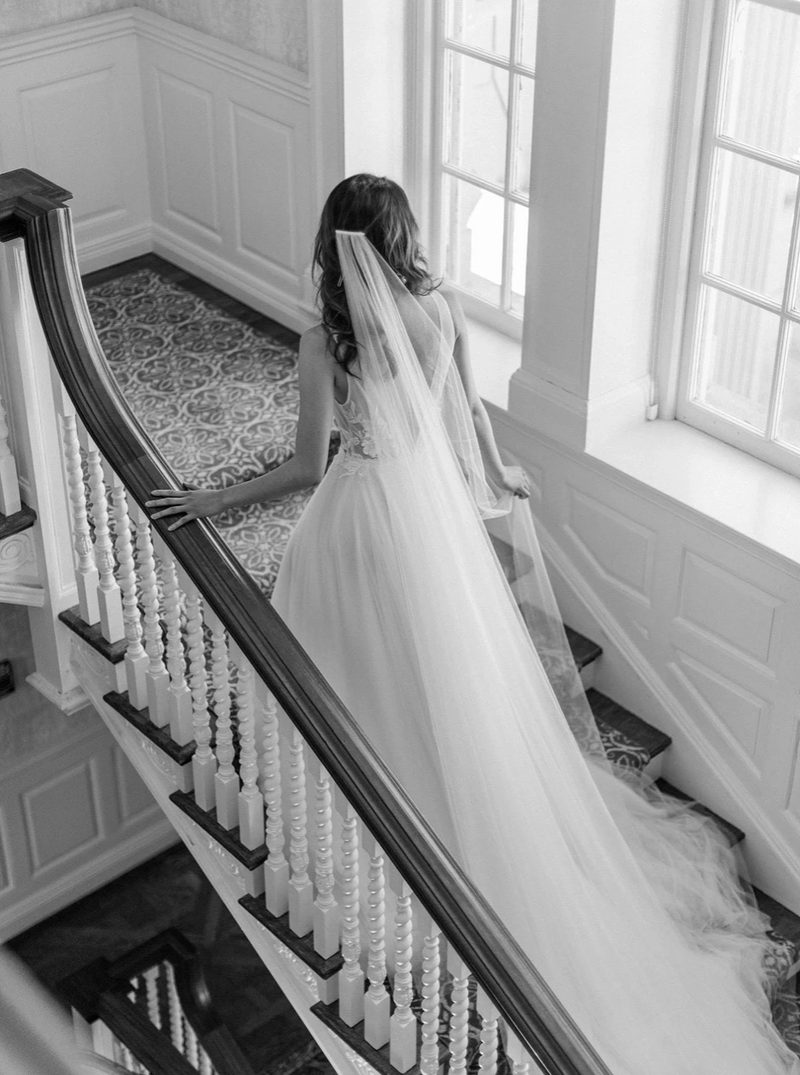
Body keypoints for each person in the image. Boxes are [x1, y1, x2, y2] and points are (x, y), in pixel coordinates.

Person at [148, 175, 799, 1074]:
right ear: (401, 235)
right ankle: (448, 834)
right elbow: (467, 414)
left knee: (351, 688)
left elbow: (307, 465)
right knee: (443, 684)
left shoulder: (324, 342)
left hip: (356, 526)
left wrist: (213, 495)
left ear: (337, 246)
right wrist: (495, 477)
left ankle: (373, 842)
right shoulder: (441, 308)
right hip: (430, 522)